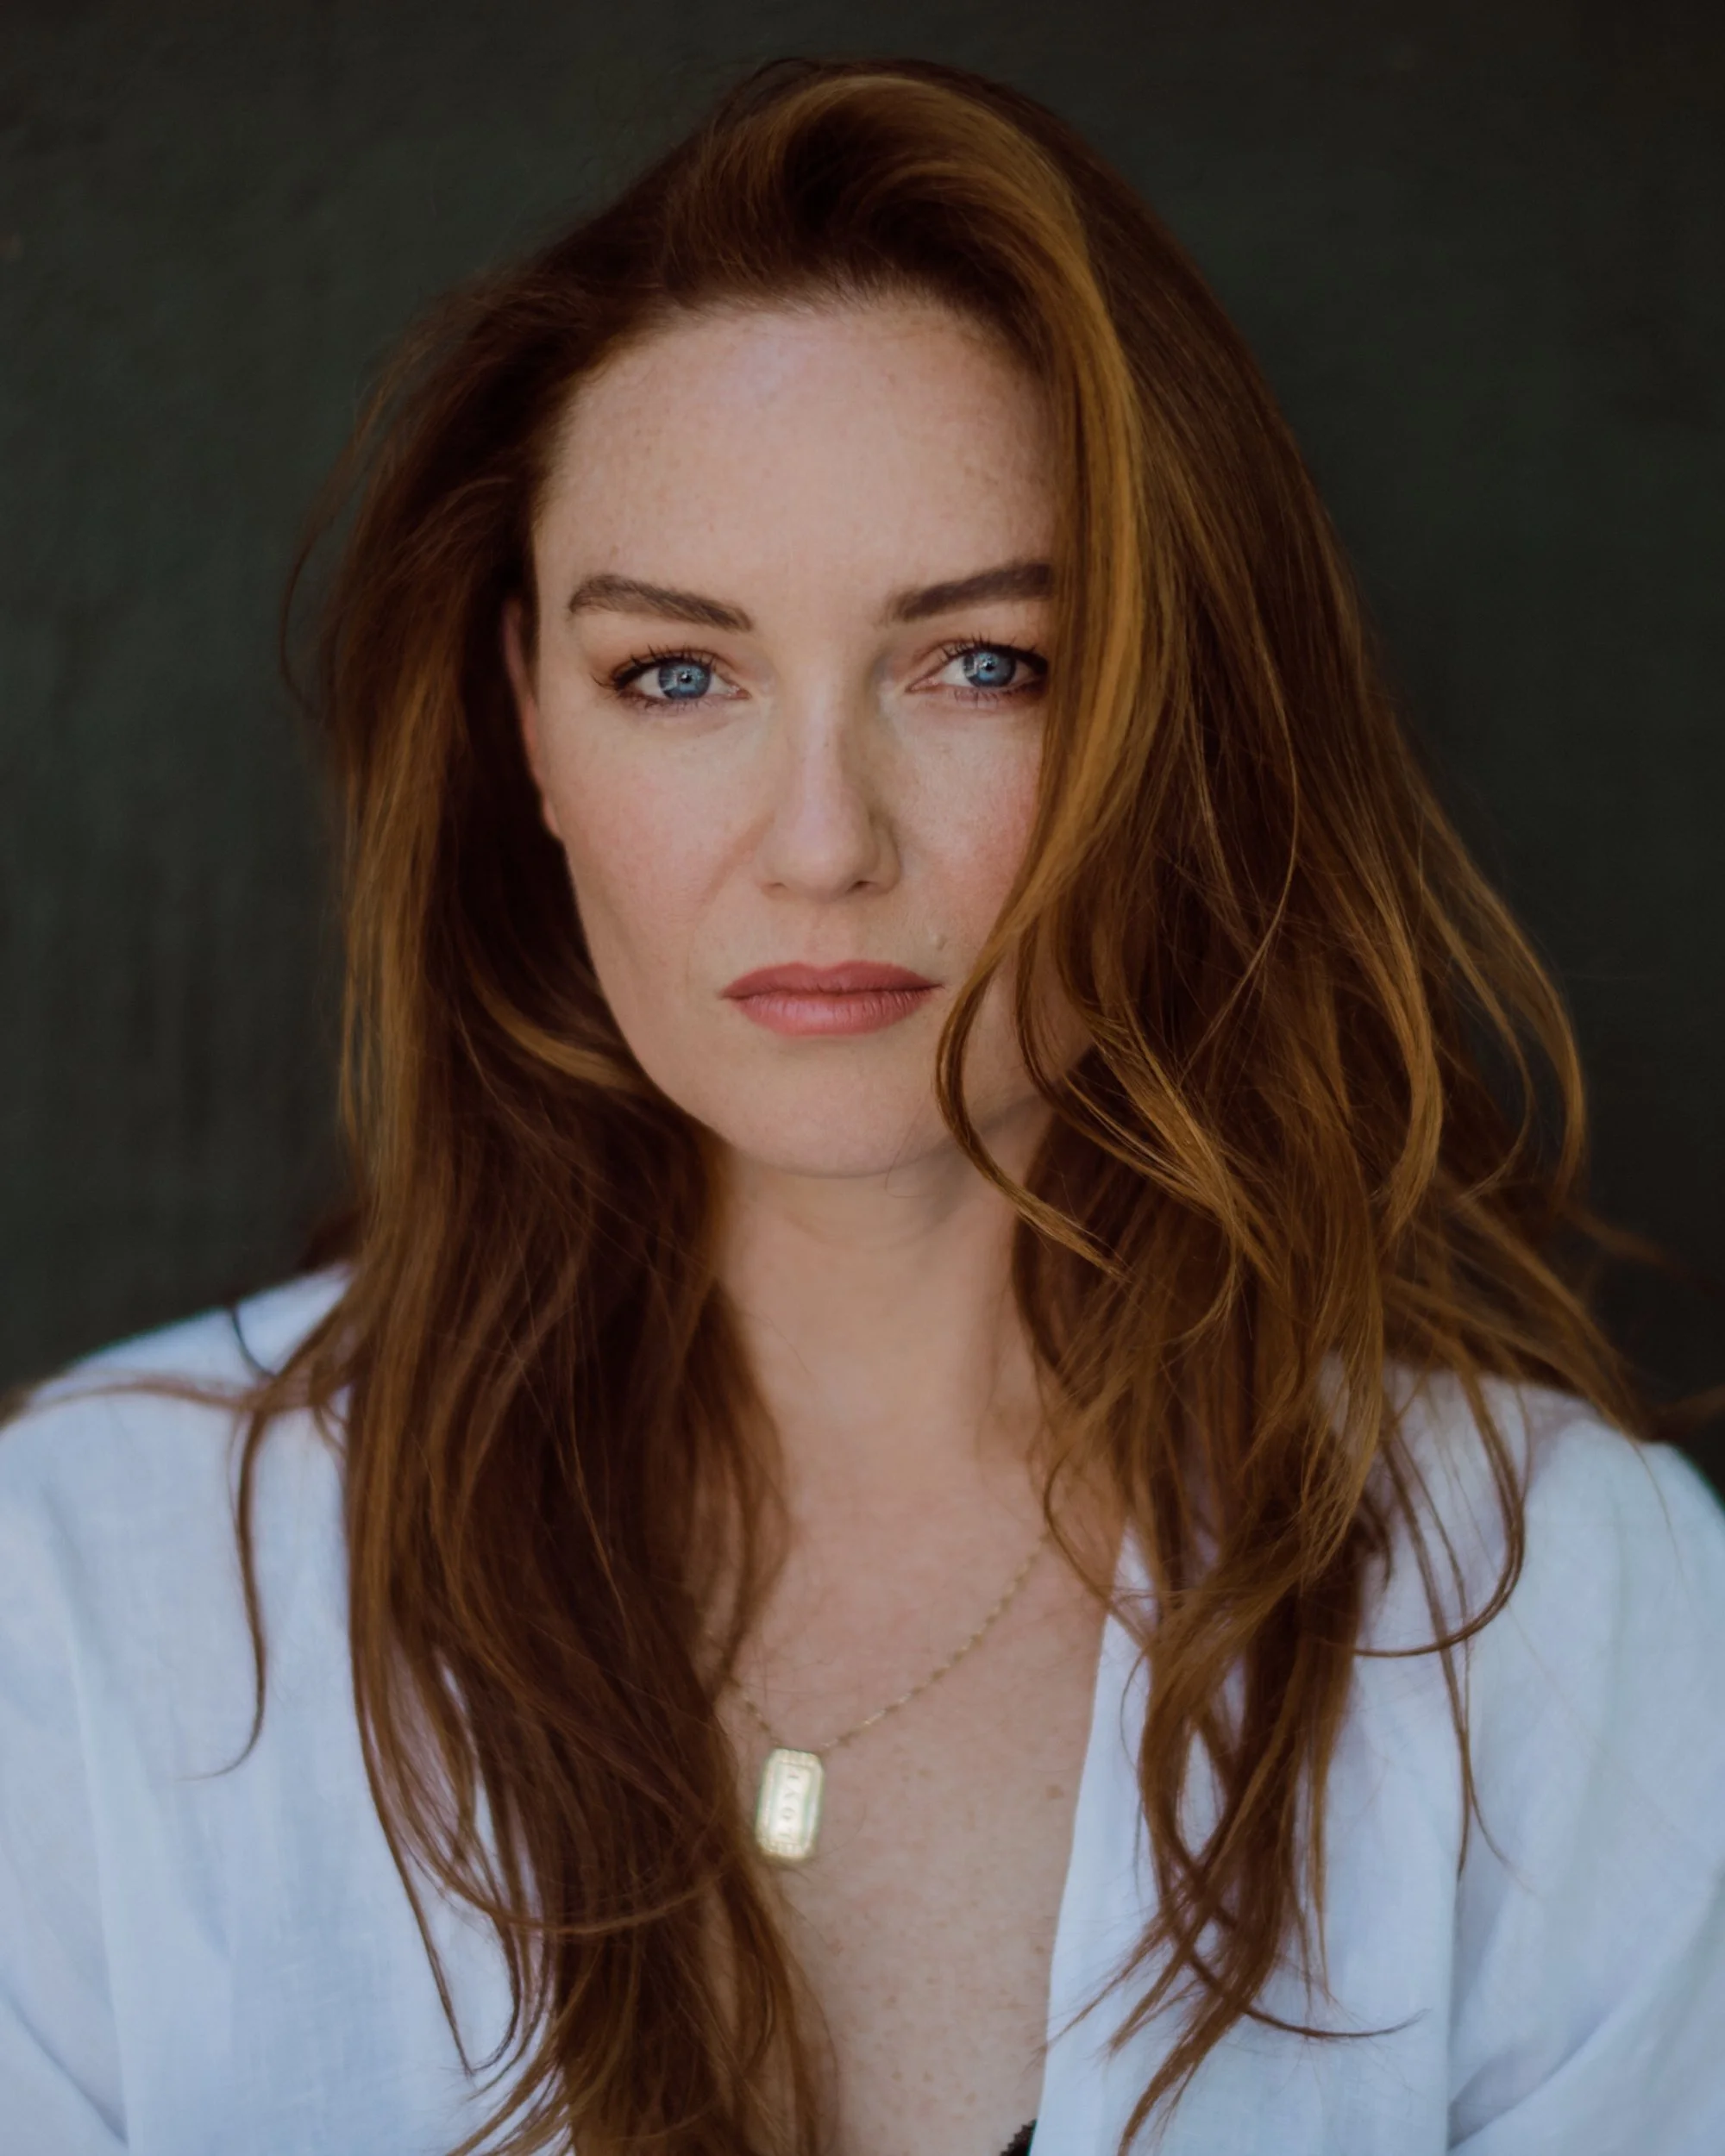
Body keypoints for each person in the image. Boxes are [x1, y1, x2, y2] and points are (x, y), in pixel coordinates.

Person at [3, 54, 1722, 2156]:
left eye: (981, 662)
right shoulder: (84, 1602)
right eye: (677, 673)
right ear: (525, 722)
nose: (822, 842)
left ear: (1171, 715)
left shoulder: (1563, 1624)